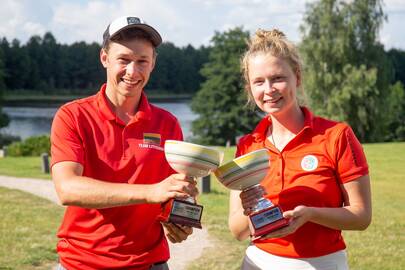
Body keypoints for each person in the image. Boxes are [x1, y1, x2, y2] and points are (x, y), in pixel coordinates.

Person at [50, 16, 198, 270]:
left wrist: (179, 218)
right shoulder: (73, 116)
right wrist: (151, 192)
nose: (132, 71)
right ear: (104, 58)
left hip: (150, 263)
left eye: (142, 61)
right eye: (124, 60)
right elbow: (68, 188)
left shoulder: (168, 123)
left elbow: (173, 190)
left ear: (153, 63)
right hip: (82, 263)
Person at [228, 29, 372, 270]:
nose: (269, 90)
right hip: (258, 261)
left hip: (322, 263)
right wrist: (247, 208)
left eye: (277, 78)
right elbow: (238, 231)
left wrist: (311, 214)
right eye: (259, 82)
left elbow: (362, 216)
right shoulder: (248, 145)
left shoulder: (336, 135)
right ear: (250, 88)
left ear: (297, 77)